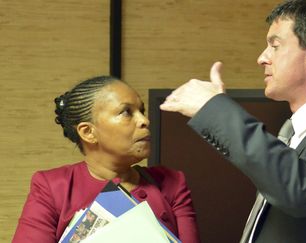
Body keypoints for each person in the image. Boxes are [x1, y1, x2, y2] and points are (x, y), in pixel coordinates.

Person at [159, 0, 306, 242]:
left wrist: (215, 110)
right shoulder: (293, 129)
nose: (262, 58)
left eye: (275, 45)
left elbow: (300, 189)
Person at [13, 76, 200, 243]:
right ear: (88, 132)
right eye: (127, 112)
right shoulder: (52, 186)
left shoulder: (172, 182)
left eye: (141, 111)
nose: (144, 120)